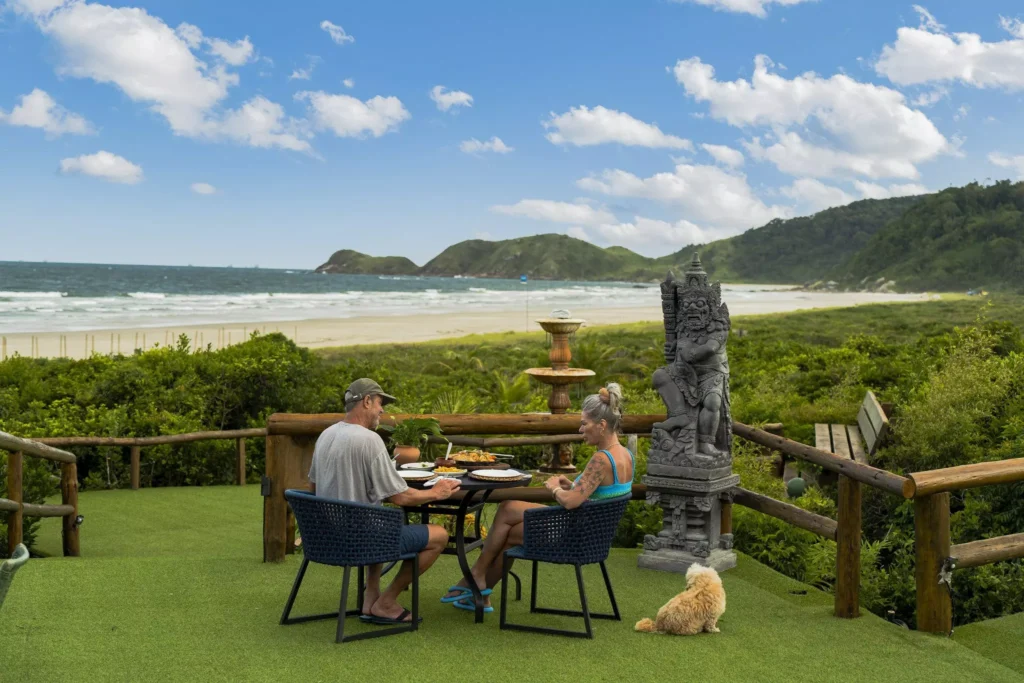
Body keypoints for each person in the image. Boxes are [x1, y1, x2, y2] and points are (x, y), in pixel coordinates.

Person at [441, 383, 633, 612]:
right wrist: (571, 484)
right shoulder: (625, 455)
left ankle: (476, 576)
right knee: (510, 530)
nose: (580, 430)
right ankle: (479, 591)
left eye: (584, 424)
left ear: (602, 426)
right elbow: (600, 495)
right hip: (592, 535)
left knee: (506, 509)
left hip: (574, 536)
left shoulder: (602, 459)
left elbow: (572, 502)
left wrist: (554, 488)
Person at [308, 378, 460, 625]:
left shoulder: (326, 435)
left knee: (377, 517)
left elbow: (313, 487)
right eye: (380, 403)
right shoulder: (369, 440)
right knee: (439, 535)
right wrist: (437, 493)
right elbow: (400, 497)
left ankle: (371, 596)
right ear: (367, 401)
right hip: (359, 541)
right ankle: (387, 602)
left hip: (326, 538)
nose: (382, 410)